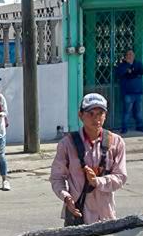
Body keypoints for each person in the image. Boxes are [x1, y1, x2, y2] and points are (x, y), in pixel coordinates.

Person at [49, 93, 128, 226]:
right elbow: (57, 178)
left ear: (105, 115)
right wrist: (66, 197)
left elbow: (120, 176)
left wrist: (97, 181)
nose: (96, 118)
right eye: (91, 113)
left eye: (100, 113)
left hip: (105, 215)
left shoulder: (116, 142)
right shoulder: (67, 144)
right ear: (81, 115)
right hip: (77, 214)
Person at [114, 49, 143, 134]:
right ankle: (124, 128)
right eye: (128, 54)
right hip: (128, 92)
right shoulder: (122, 65)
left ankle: (140, 126)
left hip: (138, 92)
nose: (130, 56)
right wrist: (129, 68)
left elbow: (142, 71)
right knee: (127, 111)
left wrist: (131, 72)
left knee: (138, 111)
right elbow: (120, 73)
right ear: (125, 56)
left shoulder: (138, 63)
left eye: (132, 54)